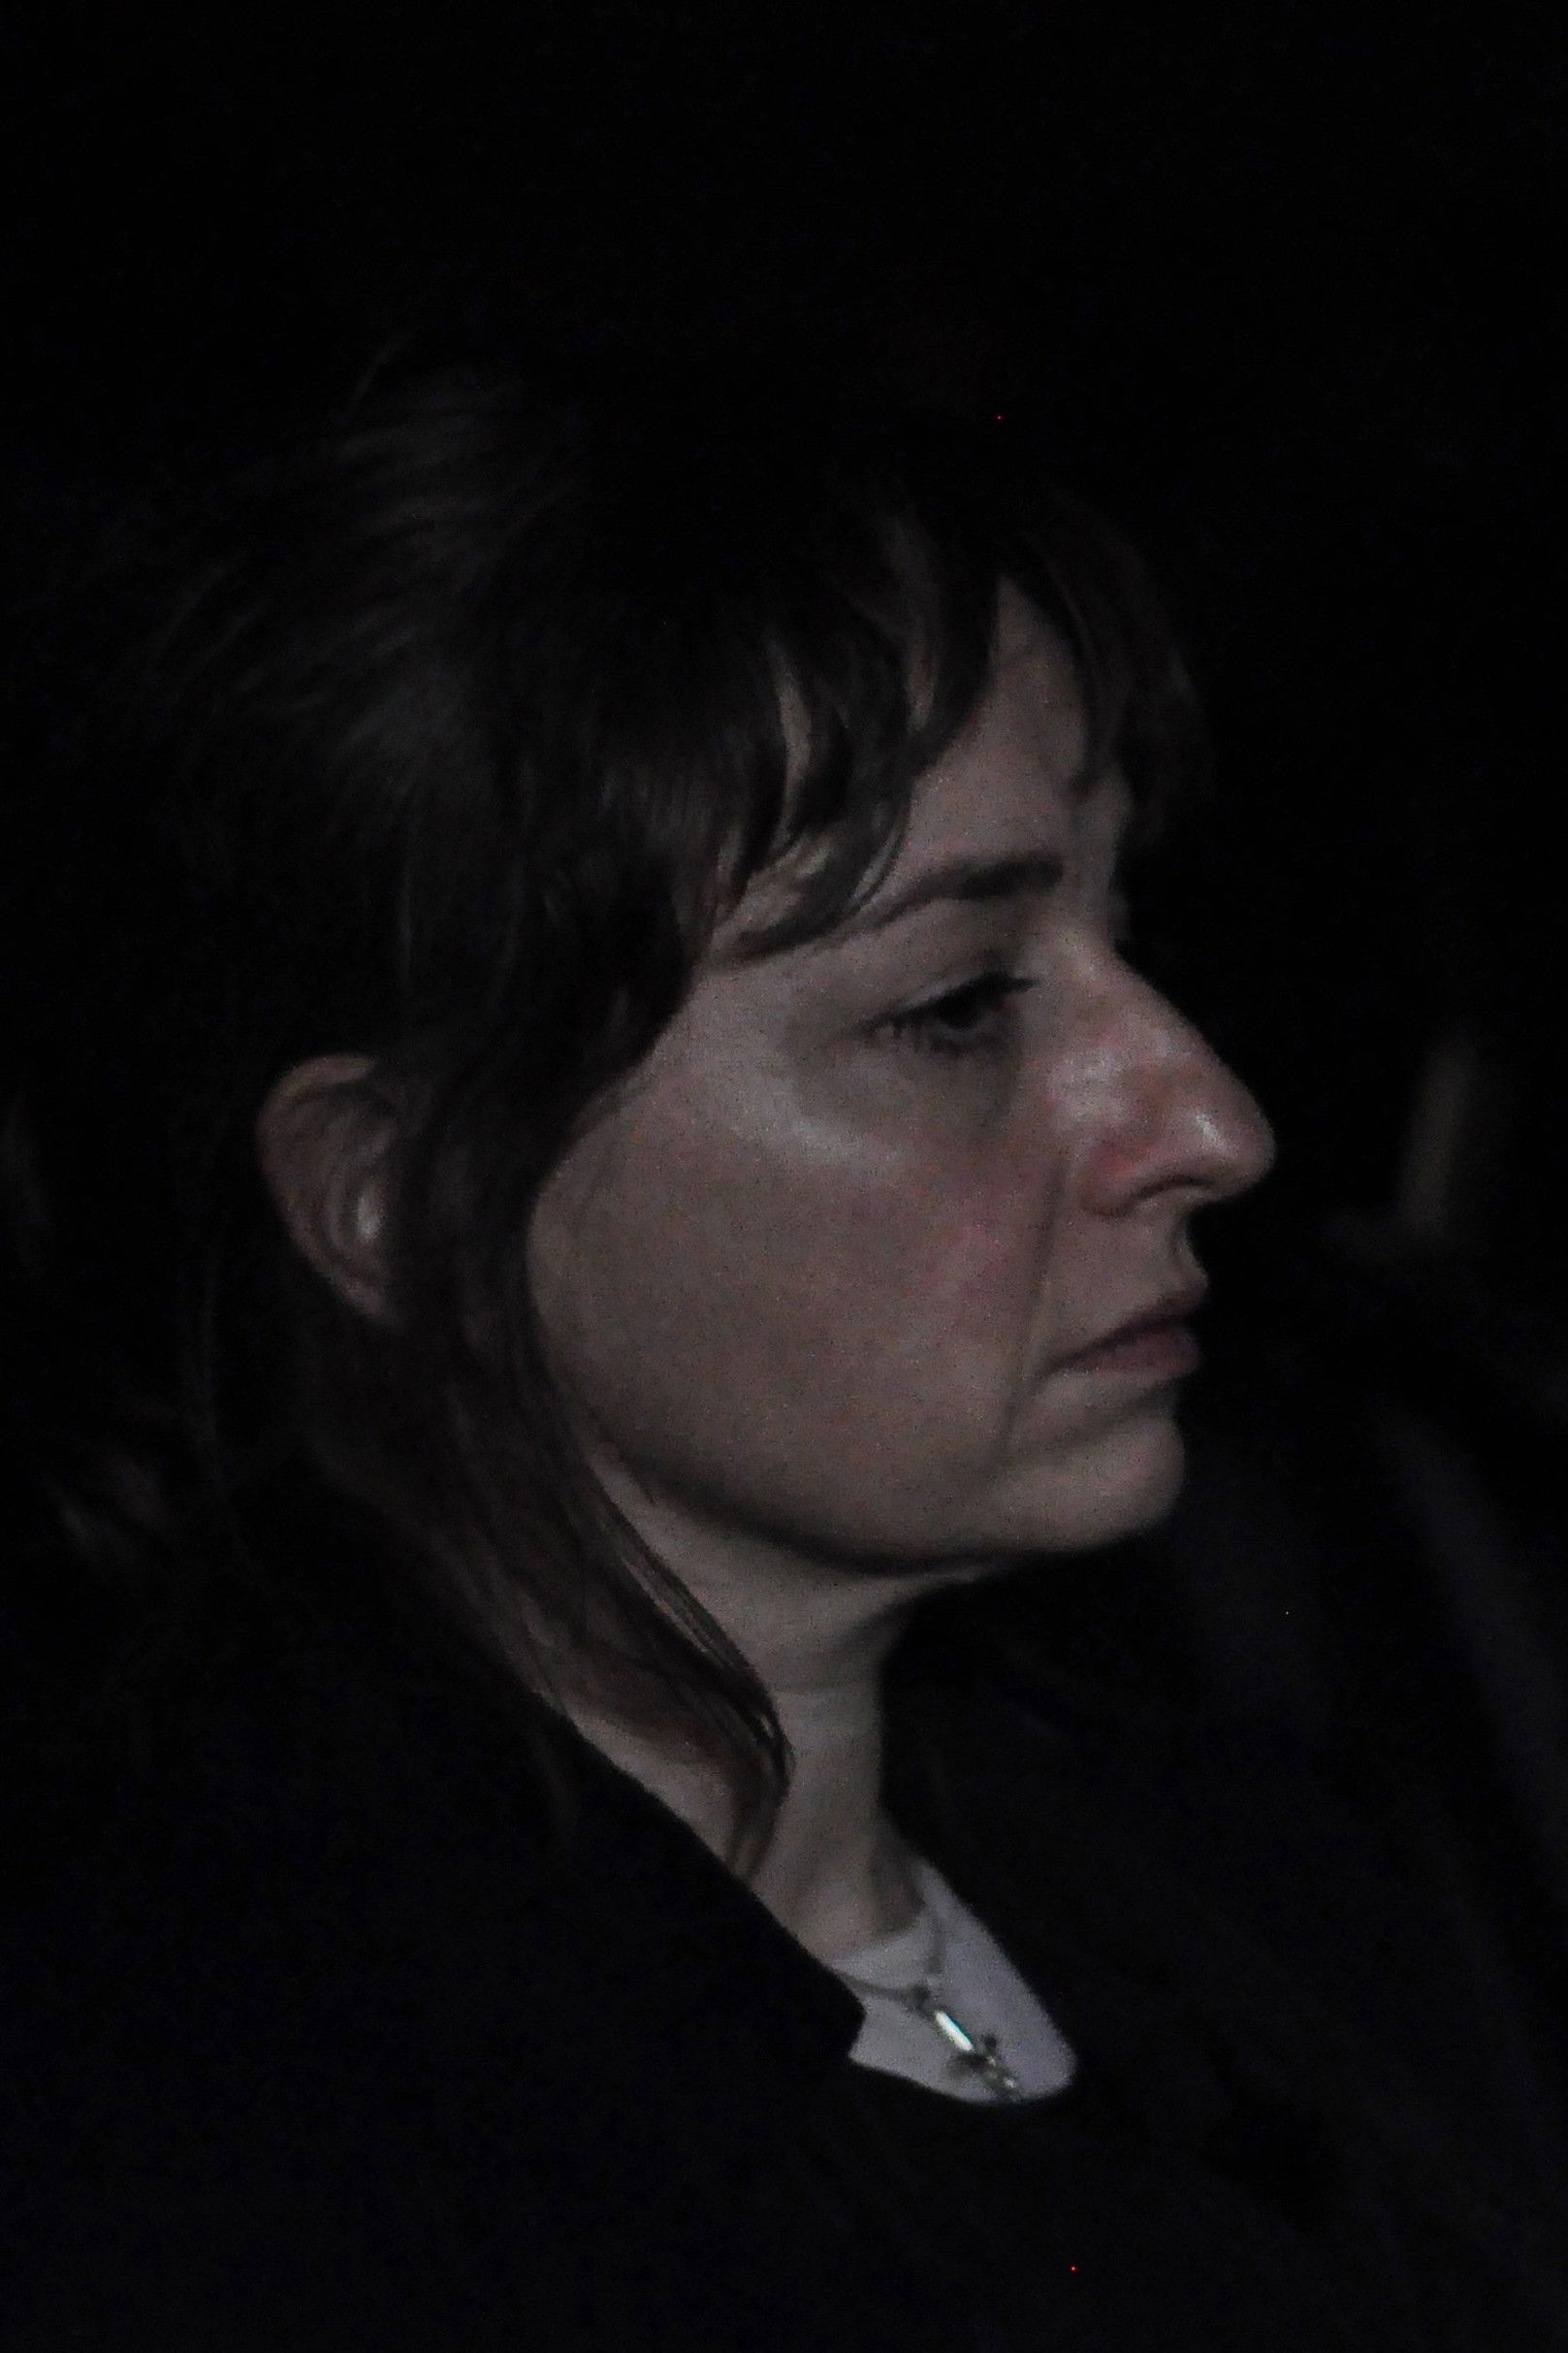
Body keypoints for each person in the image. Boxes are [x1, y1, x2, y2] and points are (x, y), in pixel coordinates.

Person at [1, 351, 1563, 2350]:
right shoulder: (216, 2165)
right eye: (954, 1004)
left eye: (1123, 926)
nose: (1207, 1120)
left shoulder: (1250, 1873)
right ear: (404, 1195)